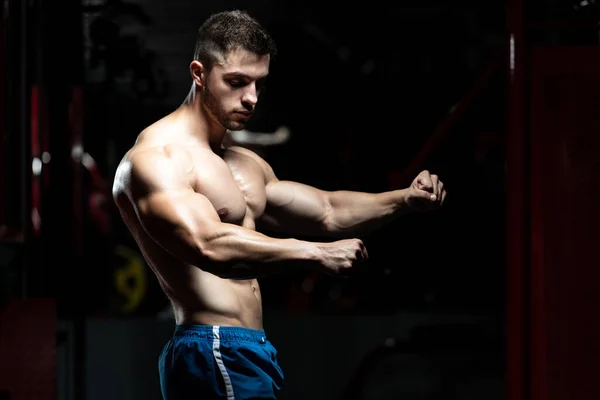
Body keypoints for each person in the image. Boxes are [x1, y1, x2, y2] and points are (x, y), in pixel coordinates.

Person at [112, 9, 447, 400]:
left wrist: (405, 199)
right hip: (213, 346)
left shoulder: (242, 163)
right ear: (199, 73)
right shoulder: (157, 158)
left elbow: (326, 210)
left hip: (247, 348)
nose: (251, 98)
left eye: (258, 83)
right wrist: (314, 254)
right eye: (236, 82)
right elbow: (209, 245)